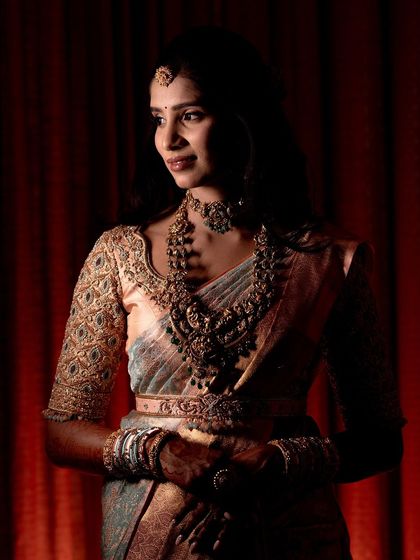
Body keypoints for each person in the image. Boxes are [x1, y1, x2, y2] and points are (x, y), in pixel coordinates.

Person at [43, 26, 405, 559]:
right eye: (157, 118)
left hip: (287, 531)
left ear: (242, 117)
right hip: (154, 530)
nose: (167, 140)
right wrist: (165, 455)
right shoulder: (119, 254)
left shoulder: (326, 259)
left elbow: (380, 441)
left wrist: (277, 461)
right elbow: (63, 432)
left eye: (190, 115)